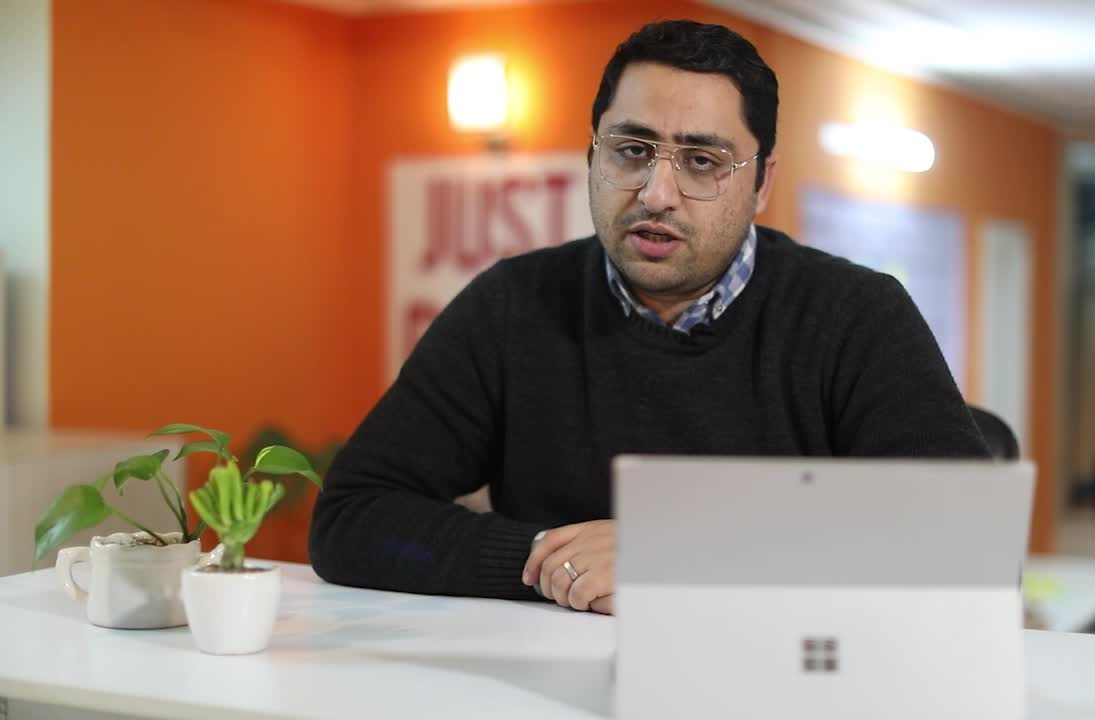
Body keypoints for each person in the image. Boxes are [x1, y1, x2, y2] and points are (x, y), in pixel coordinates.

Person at [309, 19, 989, 615]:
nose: (657, 194)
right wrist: (555, 562)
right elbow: (352, 516)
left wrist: (674, 557)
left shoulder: (856, 317)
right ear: (593, 154)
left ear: (762, 182)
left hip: (783, 679)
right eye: (631, 150)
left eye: (702, 161)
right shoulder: (512, 305)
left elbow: (965, 548)